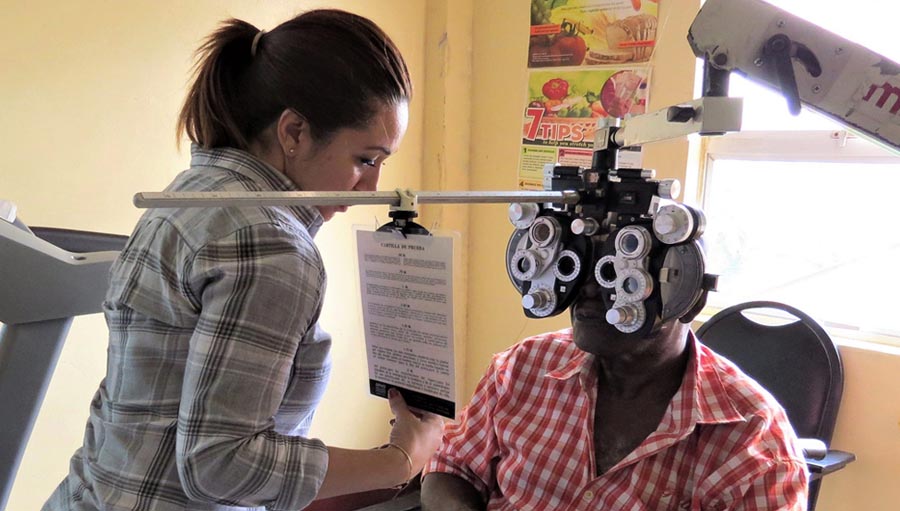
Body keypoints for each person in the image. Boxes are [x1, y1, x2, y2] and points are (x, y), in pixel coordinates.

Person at [44, 9, 443, 511]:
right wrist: (400, 460)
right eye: (365, 160)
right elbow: (222, 465)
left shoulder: (194, 194)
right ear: (294, 132)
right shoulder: (271, 246)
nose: (372, 188)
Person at [421, 277, 809, 510]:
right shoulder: (522, 366)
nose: (587, 291)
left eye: (620, 276)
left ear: (690, 295)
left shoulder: (755, 443)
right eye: (579, 266)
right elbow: (452, 467)